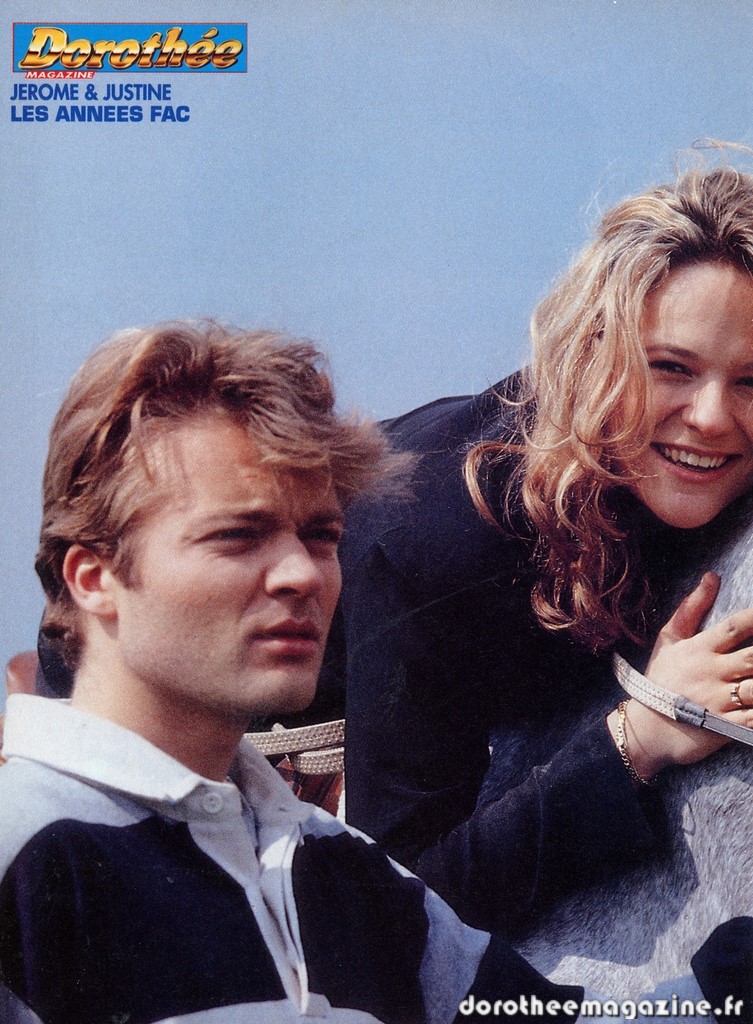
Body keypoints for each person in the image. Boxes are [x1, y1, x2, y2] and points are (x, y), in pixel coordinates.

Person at [0, 321, 598, 1024]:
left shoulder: (342, 869)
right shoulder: (21, 853)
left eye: (321, 537)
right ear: (94, 577)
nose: (303, 575)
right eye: (237, 536)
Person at [331, 162, 753, 935]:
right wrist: (639, 737)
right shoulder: (440, 542)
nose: (711, 417)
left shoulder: (683, 463)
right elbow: (400, 900)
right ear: (594, 354)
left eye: (752, 382)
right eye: (670, 368)